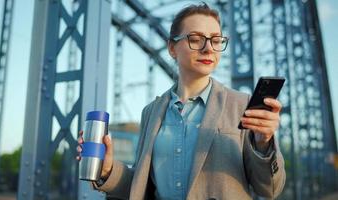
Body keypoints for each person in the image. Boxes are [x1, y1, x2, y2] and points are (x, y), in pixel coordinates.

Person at [77, 2, 285, 200]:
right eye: (195, 39)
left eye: (216, 40)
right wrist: (108, 170)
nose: (208, 48)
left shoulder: (241, 105)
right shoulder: (151, 112)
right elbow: (142, 188)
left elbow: (269, 189)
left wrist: (263, 143)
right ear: (172, 48)